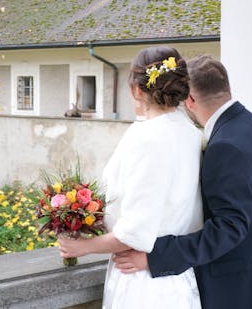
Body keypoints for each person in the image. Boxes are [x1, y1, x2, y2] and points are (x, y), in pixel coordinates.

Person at [113, 55, 252, 308]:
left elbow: (229, 227)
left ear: (190, 99)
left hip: (246, 287)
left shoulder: (226, 145)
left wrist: (157, 257)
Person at [57, 46, 204, 308]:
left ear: (137, 89)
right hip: (176, 275)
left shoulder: (147, 138)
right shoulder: (191, 133)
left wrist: (82, 247)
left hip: (142, 283)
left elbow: (136, 231)